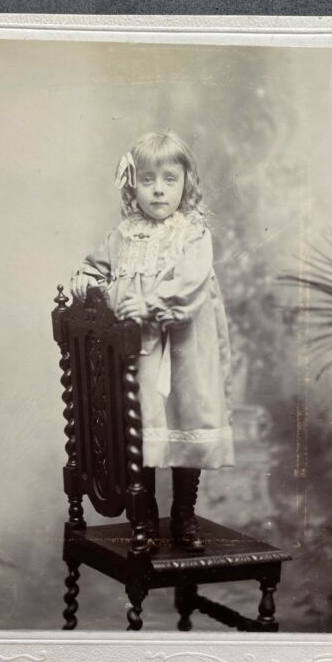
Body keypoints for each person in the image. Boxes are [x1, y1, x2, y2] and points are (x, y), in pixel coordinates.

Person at [70, 131, 234, 552]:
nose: (158, 189)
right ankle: (143, 514)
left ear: (186, 183)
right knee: (139, 425)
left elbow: (190, 284)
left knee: (184, 417)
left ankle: (183, 514)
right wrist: (86, 281)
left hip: (183, 347)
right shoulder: (123, 235)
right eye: (147, 179)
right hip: (138, 348)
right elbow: (95, 267)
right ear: (133, 186)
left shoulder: (192, 234)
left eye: (169, 179)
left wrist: (147, 302)